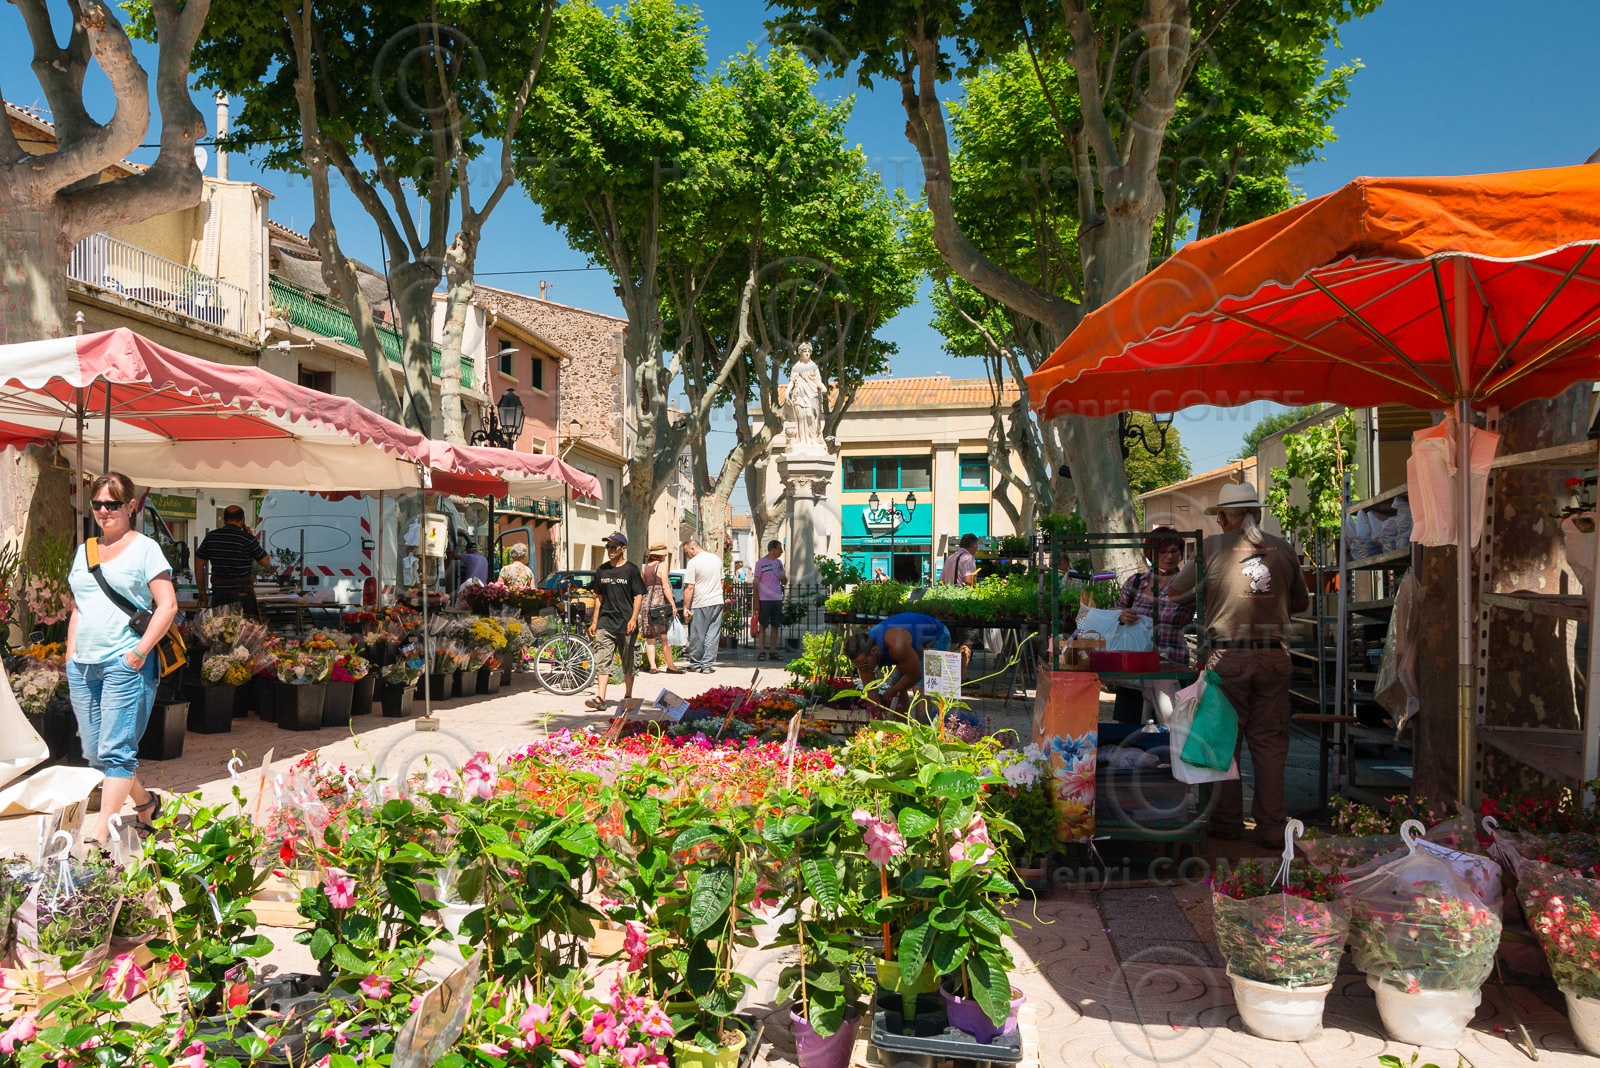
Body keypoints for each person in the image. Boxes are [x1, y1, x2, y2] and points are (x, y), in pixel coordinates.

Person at [1167, 481, 1309, 847]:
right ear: (1257, 513)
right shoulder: (1283, 548)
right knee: (1270, 742)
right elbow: (1300, 604)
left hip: (1227, 656)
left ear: (1226, 518)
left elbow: (1174, 592)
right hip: (1274, 655)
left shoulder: (1211, 547)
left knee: (1222, 741)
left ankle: (1227, 824)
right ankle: (1273, 828)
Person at [65, 473, 177, 844]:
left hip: (124, 664)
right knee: (96, 752)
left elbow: (168, 606)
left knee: (117, 752)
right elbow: (79, 606)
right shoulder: (86, 551)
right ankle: (146, 804)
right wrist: (70, 654)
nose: (103, 511)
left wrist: (138, 652)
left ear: (131, 506)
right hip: (83, 664)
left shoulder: (145, 549)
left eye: (112, 504)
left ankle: (100, 833)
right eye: (97, 503)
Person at [1111, 527, 1196, 725]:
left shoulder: (1188, 584)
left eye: (1174, 551)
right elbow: (1116, 613)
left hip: (1170, 663)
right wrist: (1122, 616)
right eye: (1163, 551)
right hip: (1135, 666)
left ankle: (1166, 757)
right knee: (1128, 726)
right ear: (1150, 554)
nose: (1170, 556)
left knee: (1172, 728)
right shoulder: (1136, 581)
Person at [586, 532, 645, 710]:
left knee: (628, 660)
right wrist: (595, 622)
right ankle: (600, 698)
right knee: (603, 658)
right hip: (606, 621)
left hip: (626, 622)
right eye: (608, 547)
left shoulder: (632, 570)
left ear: (623, 549)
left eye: (614, 547)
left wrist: (634, 618)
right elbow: (599, 598)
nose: (610, 550)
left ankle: (628, 696)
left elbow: (638, 595)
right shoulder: (601, 570)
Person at [844, 612, 951, 708]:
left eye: (865, 664)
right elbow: (870, 692)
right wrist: (877, 725)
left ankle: (923, 727)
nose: (863, 669)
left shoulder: (896, 647)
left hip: (936, 637)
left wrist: (893, 690)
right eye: (858, 666)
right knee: (898, 685)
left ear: (874, 650)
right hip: (909, 642)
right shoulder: (864, 655)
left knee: (919, 686)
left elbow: (915, 676)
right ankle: (897, 728)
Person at [194, 505, 269, 616]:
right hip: (243, 594)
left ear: (224, 520)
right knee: (245, 629)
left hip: (219, 593)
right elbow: (265, 562)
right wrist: (251, 538)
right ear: (243, 520)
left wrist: (202, 591)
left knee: (221, 628)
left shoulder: (211, 537)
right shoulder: (247, 539)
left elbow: (199, 565)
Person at [680, 538, 724, 673]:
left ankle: (695, 663)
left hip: (700, 602)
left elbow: (689, 587)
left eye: (687, 552)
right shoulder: (716, 559)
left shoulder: (693, 563)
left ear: (692, 548)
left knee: (697, 634)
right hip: (717, 601)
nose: (687, 555)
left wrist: (686, 607)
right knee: (713, 634)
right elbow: (722, 581)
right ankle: (707, 665)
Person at [939, 533, 981, 672]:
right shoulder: (968, 558)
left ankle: (948, 675)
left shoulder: (950, 558)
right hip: (964, 606)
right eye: (977, 545)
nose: (977, 548)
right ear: (972, 545)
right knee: (966, 642)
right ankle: (962, 678)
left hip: (950, 606)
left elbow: (941, 582)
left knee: (951, 641)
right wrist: (977, 589)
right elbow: (968, 580)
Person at [640, 542, 683, 674]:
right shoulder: (662, 566)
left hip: (647, 603)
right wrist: (673, 605)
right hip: (660, 603)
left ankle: (653, 666)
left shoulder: (644, 568)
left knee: (650, 637)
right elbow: (665, 587)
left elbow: (643, 587)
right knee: (665, 636)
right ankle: (671, 666)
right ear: (660, 556)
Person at [752, 540, 787, 661]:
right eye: (780, 549)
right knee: (763, 625)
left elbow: (785, 581)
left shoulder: (779, 563)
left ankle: (773, 651)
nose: (782, 551)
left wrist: (784, 578)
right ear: (773, 549)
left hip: (777, 598)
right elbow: (756, 582)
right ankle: (762, 651)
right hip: (765, 599)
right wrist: (756, 601)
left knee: (775, 625)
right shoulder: (761, 563)